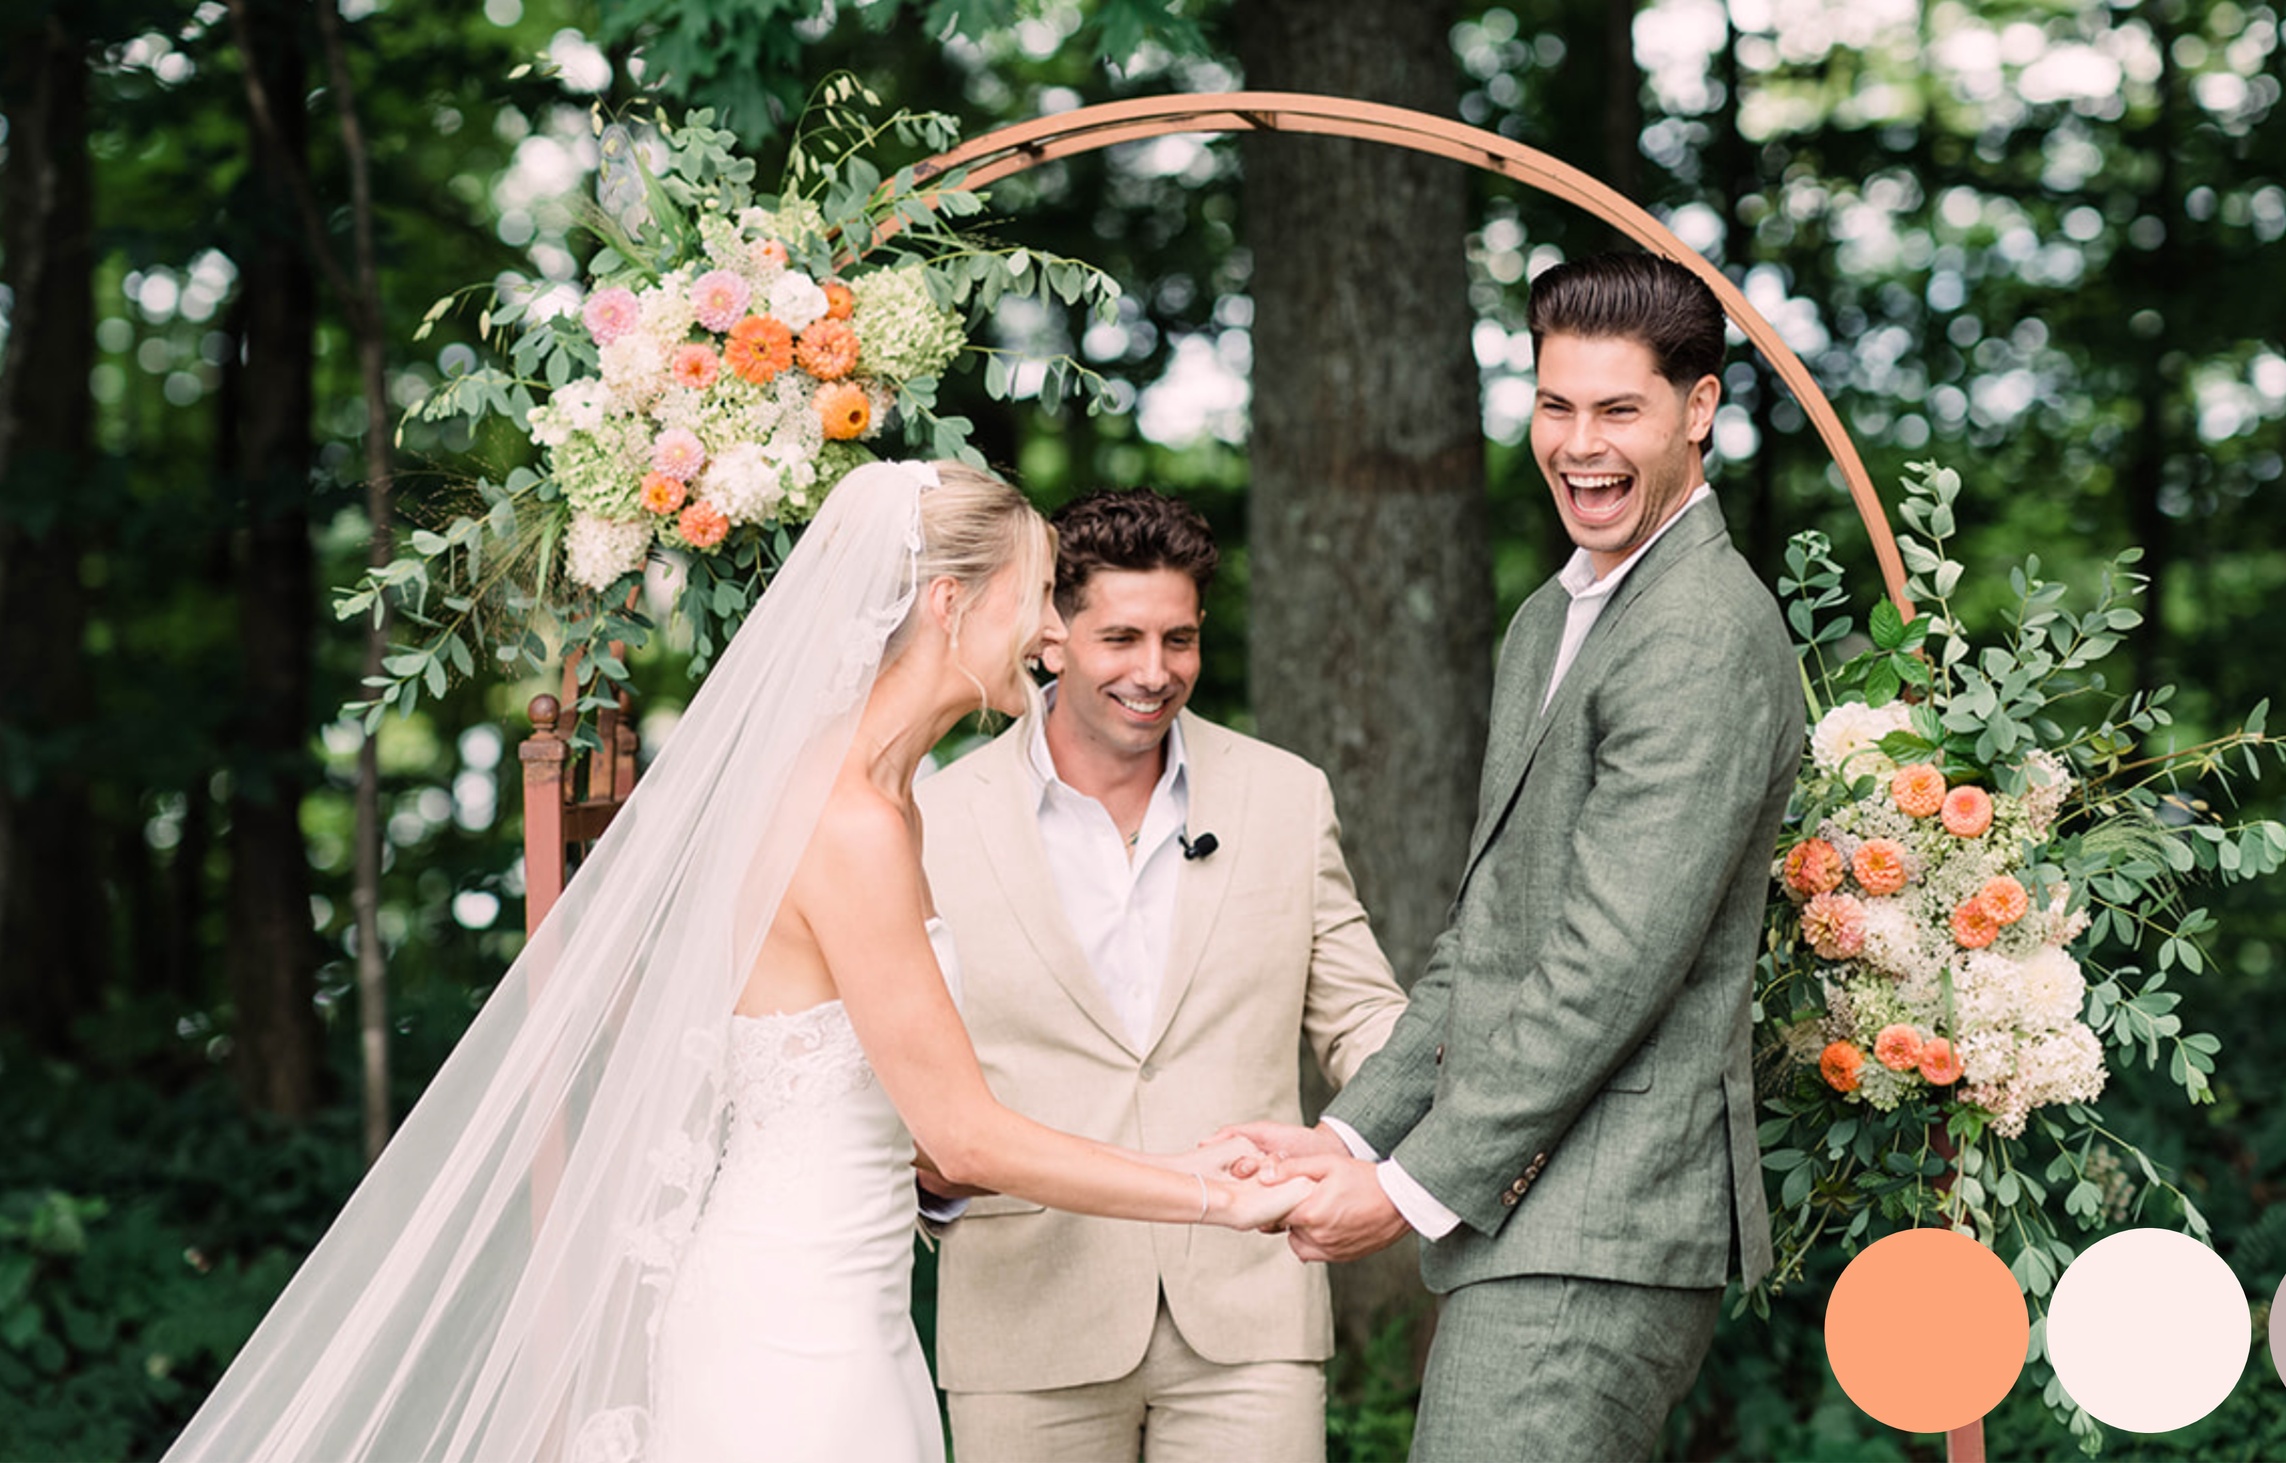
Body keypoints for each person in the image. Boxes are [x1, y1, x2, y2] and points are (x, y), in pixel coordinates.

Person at [161, 460, 1311, 1463]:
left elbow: (913, 1127)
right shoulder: (845, 819)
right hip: (792, 1333)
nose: (1055, 639)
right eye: (1037, 604)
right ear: (952, 603)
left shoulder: (886, 800)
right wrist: (1215, 1194)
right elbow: (963, 1136)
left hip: (858, 1311)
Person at [1230, 251, 1807, 1463]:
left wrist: (1402, 1186)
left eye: (1618, 410)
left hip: (1606, 1214)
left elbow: (1608, 966)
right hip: (1532, 1214)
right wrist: (1351, 1133)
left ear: (1697, 411)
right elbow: (1491, 936)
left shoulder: (1701, 631)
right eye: (1555, 405)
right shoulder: (1552, 615)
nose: (1578, 443)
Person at [916, 488, 1406, 1463]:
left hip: (1250, 1313)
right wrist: (928, 1177)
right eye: (1122, 638)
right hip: (1023, 1313)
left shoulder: (1284, 795)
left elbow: (1363, 1021)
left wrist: (1408, 1166)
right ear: (1049, 634)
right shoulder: (931, 818)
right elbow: (895, 1070)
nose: (1153, 672)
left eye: (1177, 640)